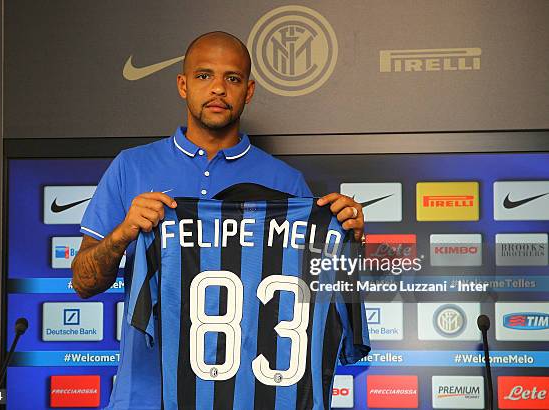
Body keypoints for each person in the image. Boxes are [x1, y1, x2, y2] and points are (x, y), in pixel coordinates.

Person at [71, 31, 364, 410]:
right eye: (204, 76)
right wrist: (123, 234)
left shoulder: (287, 183)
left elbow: (314, 297)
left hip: (250, 397)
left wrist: (350, 240)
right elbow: (83, 282)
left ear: (249, 91)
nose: (219, 89)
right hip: (146, 396)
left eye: (233, 78)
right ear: (183, 85)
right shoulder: (132, 166)